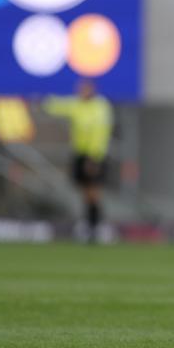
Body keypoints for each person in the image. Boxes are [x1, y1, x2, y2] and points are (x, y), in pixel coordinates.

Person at [43, 79, 113, 243]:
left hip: (94, 156)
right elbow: (57, 106)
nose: (81, 91)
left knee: (93, 192)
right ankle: (89, 225)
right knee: (85, 192)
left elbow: (100, 134)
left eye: (85, 89)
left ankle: (96, 226)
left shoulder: (100, 108)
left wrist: (94, 158)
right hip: (80, 154)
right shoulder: (77, 105)